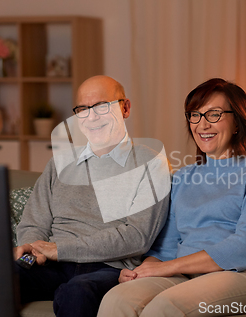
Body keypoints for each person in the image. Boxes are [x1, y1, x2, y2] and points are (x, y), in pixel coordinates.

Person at [98, 78, 246, 317]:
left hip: (243, 274)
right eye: (195, 115)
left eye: (214, 114)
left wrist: (170, 267)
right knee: (118, 299)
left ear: (237, 121)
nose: (202, 125)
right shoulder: (182, 178)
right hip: (184, 275)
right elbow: (167, 246)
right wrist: (144, 269)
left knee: (165, 308)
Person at [14, 75, 170, 317]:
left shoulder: (150, 162)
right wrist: (34, 249)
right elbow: (34, 222)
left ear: (125, 108)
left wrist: (60, 248)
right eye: (83, 109)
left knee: (77, 292)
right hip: (52, 264)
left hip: (108, 266)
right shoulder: (59, 164)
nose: (91, 117)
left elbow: (137, 236)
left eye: (101, 107)